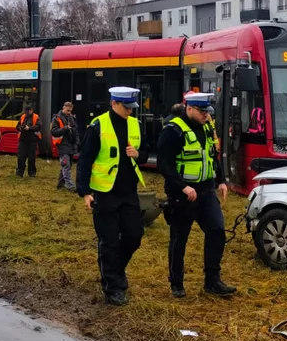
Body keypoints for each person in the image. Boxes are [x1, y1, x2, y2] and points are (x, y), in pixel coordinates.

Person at [157, 92, 236, 299]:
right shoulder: (174, 130)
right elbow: (164, 164)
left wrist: (221, 180)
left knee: (217, 230)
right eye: (202, 111)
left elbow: (212, 154)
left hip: (206, 191)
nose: (205, 115)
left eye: (207, 111)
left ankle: (212, 281)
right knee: (179, 238)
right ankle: (176, 283)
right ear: (189, 108)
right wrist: (183, 186)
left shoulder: (207, 126)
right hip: (181, 194)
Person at [77, 86, 146, 306]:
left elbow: (147, 151)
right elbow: (85, 160)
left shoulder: (136, 124)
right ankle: (113, 287)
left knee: (134, 236)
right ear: (114, 103)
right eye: (126, 107)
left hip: (129, 192)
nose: (130, 111)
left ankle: (115, 270)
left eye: (132, 107)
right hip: (105, 193)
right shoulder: (98, 126)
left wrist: (139, 154)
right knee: (108, 241)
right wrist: (85, 192)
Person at [51, 101, 79, 191]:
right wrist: (65, 128)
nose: (69, 112)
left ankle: (60, 184)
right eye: (68, 110)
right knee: (66, 165)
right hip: (62, 145)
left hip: (71, 144)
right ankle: (70, 185)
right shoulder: (56, 118)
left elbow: (76, 131)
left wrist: (77, 142)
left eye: (70, 111)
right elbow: (54, 132)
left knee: (67, 165)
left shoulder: (72, 118)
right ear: (63, 108)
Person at [16, 104, 41, 178]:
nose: (26, 113)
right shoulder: (23, 116)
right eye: (25, 111)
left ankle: (32, 173)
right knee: (21, 157)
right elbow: (17, 126)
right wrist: (20, 128)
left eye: (28, 111)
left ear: (31, 110)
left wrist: (29, 128)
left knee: (31, 158)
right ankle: (19, 172)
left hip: (32, 140)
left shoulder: (36, 117)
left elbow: (38, 127)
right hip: (23, 140)